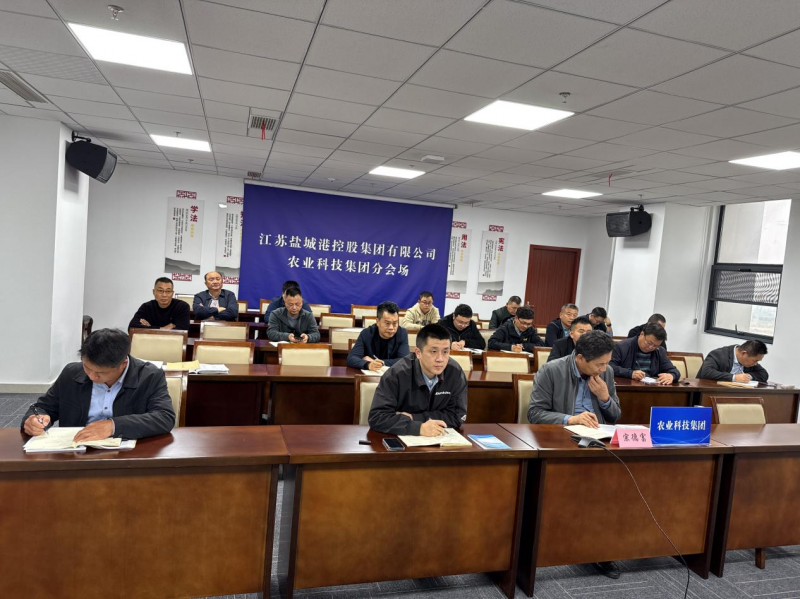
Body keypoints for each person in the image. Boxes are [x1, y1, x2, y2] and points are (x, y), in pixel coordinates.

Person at [527, 330, 622, 580]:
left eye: (607, 363)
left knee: (613, 491)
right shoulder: (552, 370)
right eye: (599, 364)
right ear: (580, 358)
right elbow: (535, 414)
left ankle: (601, 550)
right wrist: (571, 419)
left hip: (599, 444)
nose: (604, 369)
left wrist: (604, 398)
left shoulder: (607, 373)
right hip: (561, 442)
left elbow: (615, 416)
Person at [21, 328, 175, 441]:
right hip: (75, 451)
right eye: (87, 367)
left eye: (100, 373)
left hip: (126, 453)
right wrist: (33, 419)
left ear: (123, 364)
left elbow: (164, 417)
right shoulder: (71, 373)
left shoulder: (149, 376)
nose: (91, 376)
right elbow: (43, 407)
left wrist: (113, 426)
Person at [368, 323, 467, 436]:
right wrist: (418, 428)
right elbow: (377, 417)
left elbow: (458, 416)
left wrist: (415, 418)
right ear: (418, 353)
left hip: (441, 438)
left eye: (445, 352)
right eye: (433, 351)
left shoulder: (455, 372)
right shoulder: (397, 374)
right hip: (402, 440)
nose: (440, 359)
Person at [347, 301, 410, 371]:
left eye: (395, 323)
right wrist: (368, 364)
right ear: (377, 322)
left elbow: (405, 361)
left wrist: (378, 362)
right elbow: (351, 359)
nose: (391, 328)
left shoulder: (402, 333)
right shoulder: (367, 333)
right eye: (387, 323)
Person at [611, 322, 680, 385]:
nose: (651, 347)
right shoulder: (622, 347)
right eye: (649, 343)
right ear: (642, 334)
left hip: (651, 389)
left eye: (655, 346)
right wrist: (630, 373)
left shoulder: (659, 351)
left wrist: (672, 376)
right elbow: (611, 367)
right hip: (627, 388)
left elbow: (674, 370)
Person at [697, 340, 769, 383]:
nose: (755, 364)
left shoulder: (749, 362)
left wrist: (747, 377)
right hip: (708, 393)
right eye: (755, 360)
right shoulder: (718, 354)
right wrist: (734, 377)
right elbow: (706, 372)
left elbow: (764, 374)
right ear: (744, 353)